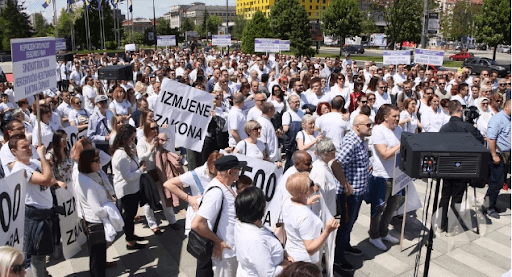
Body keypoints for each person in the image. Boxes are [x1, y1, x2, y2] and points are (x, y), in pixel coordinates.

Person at [7, 134, 66, 277]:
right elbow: (46, 178)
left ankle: (43, 273)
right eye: (24, 147)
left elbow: (50, 178)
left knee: (42, 252)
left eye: (29, 145)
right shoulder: (20, 169)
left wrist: (55, 181)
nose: (29, 149)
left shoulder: (34, 163)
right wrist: (42, 156)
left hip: (45, 213)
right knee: (38, 256)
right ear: (14, 151)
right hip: (35, 216)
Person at [191, 155, 246, 277]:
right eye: (239, 169)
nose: (240, 172)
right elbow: (197, 224)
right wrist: (218, 241)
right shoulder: (216, 192)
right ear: (230, 171)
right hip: (224, 254)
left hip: (230, 251)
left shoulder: (227, 186)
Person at [333, 114, 372, 272]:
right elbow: (336, 164)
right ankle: (338, 258)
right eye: (368, 125)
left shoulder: (361, 140)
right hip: (349, 195)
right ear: (357, 126)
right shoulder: (351, 141)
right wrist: (346, 184)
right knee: (345, 225)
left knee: (351, 223)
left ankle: (346, 246)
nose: (371, 127)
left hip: (359, 191)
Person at [438, 100, 485, 232]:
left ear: (449, 111)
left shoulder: (444, 128)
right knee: (457, 197)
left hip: (446, 167)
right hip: (462, 167)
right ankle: (451, 226)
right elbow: (480, 143)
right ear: (460, 111)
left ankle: (441, 224)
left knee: (445, 196)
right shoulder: (468, 128)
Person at [76, 149, 118, 277]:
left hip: (97, 220)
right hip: (94, 221)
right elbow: (97, 209)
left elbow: (106, 158)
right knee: (96, 258)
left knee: (99, 255)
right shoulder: (86, 181)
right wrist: (110, 209)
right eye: (96, 160)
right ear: (88, 163)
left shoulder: (93, 174)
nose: (100, 162)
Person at [282, 172, 339, 266]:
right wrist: (327, 231)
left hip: (292, 253)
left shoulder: (287, 201)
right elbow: (310, 249)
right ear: (304, 192)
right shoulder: (305, 216)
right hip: (306, 263)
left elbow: (295, 208)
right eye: (311, 184)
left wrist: (305, 202)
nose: (315, 184)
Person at [234, 187, 293, 276]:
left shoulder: (240, 223)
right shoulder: (256, 240)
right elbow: (269, 275)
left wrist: (283, 253)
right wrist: (286, 265)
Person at [367, 104, 402, 251]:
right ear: (385, 117)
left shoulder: (399, 129)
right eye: (394, 116)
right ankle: (374, 236)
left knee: (392, 207)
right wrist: (401, 145)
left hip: (398, 175)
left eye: (398, 116)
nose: (397, 119)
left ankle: (384, 231)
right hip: (382, 176)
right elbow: (385, 154)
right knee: (379, 207)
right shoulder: (378, 130)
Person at [163, 152, 223, 236]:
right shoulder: (195, 174)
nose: (215, 177)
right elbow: (168, 184)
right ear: (207, 167)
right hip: (200, 218)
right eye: (212, 174)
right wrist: (188, 198)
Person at [137, 121, 177, 234]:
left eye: (156, 128)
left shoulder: (159, 139)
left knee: (165, 197)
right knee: (149, 201)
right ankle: (153, 224)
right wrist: (152, 147)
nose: (155, 130)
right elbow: (141, 156)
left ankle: (172, 221)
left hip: (159, 172)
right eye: (152, 128)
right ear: (146, 130)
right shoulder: (142, 142)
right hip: (148, 174)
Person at [111, 124, 146, 250]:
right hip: (127, 190)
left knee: (132, 214)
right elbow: (128, 176)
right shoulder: (121, 155)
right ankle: (129, 241)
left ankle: (131, 235)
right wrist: (141, 170)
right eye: (132, 138)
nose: (133, 141)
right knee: (129, 217)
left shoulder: (127, 149)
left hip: (133, 188)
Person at [483, 99, 511, 219]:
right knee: (496, 182)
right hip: (498, 155)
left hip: (505, 155)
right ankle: (488, 207)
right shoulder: (497, 119)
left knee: (500, 182)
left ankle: (492, 203)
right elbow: (491, 138)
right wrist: (494, 155)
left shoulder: (508, 119)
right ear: (507, 107)